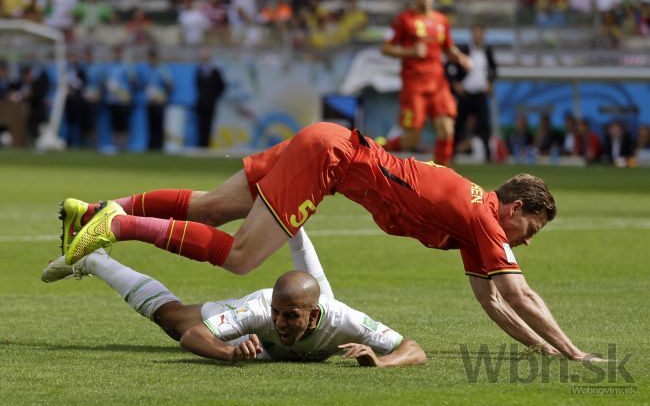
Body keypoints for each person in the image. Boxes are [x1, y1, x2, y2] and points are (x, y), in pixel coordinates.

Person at [62, 121, 602, 362]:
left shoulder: (472, 224)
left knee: (212, 207)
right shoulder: (486, 218)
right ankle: (118, 225)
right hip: (330, 159)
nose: (523, 243)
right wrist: (574, 352)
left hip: (328, 144)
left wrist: (545, 349)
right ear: (515, 209)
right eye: (528, 230)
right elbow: (520, 295)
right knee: (243, 257)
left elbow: (492, 300)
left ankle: (94, 211)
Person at [43, 231, 426, 366]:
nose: (279, 323)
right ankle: (95, 260)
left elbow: (414, 349)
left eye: (290, 317)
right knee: (173, 322)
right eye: (278, 315)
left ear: (313, 318)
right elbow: (194, 336)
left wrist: (382, 361)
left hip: (316, 307)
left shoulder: (345, 320)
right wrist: (230, 354)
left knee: (304, 254)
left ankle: (290, 218)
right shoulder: (261, 311)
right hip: (248, 320)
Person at [380, 0, 471, 166]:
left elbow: (447, 47)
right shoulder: (404, 20)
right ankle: (378, 148)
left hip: (438, 83)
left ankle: (442, 177)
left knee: (447, 129)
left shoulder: (441, 21)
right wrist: (410, 51)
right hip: (414, 85)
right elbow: (385, 48)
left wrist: (460, 57)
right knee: (412, 138)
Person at [447, 24, 497, 162]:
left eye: (480, 33)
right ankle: (450, 154)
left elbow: (493, 69)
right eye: (476, 33)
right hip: (466, 94)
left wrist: (490, 83)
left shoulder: (487, 51)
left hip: (480, 95)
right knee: (458, 124)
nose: (478, 36)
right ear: (472, 34)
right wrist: (455, 83)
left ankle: (488, 157)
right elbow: (449, 66)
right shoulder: (464, 50)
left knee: (484, 125)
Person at [141, 48, 174, 151]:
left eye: (152, 58)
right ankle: (150, 146)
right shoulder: (147, 70)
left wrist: (162, 96)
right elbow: (144, 85)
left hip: (159, 102)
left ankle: (159, 146)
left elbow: (170, 86)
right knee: (150, 125)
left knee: (159, 125)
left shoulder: (163, 69)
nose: (151, 60)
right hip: (150, 101)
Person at [194, 49, 226, 148]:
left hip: (210, 102)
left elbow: (222, 85)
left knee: (208, 124)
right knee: (200, 123)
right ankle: (200, 144)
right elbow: (197, 85)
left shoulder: (215, 70)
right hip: (201, 101)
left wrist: (214, 96)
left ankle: (206, 145)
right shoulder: (199, 70)